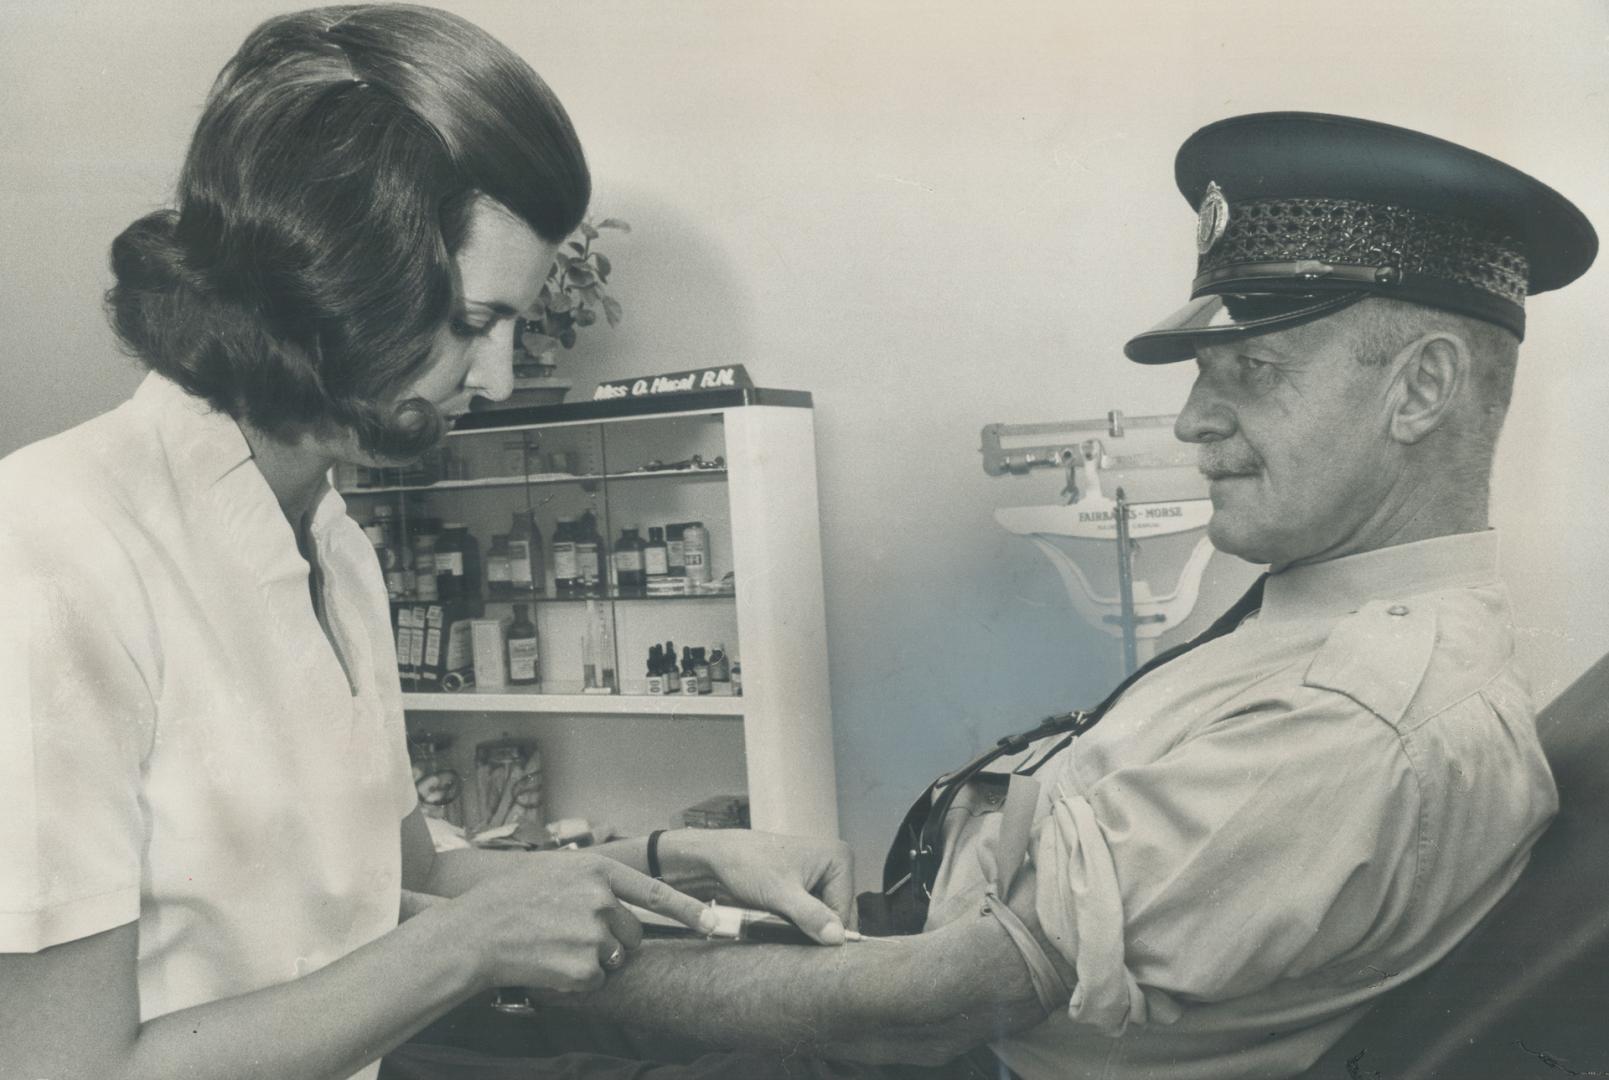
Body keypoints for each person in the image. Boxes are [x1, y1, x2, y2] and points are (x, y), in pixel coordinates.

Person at [381, 113, 1597, 1080]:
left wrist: (517, 958)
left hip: (922, 1044)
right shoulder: (1323, 614)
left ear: (1423, 387)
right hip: (893, 972)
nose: (1192, 420)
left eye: (1254, 372)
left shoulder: (1355, 718)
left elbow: (915, 1014)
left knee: (404, 1036)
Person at [0, 7, 853, 1080]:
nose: (494, 378)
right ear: (335, 279)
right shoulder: (49, 553)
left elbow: (406, 878)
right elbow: (65, 1071)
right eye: (471, 322)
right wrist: (463, 951)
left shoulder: (332, 542)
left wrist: (684, 864)